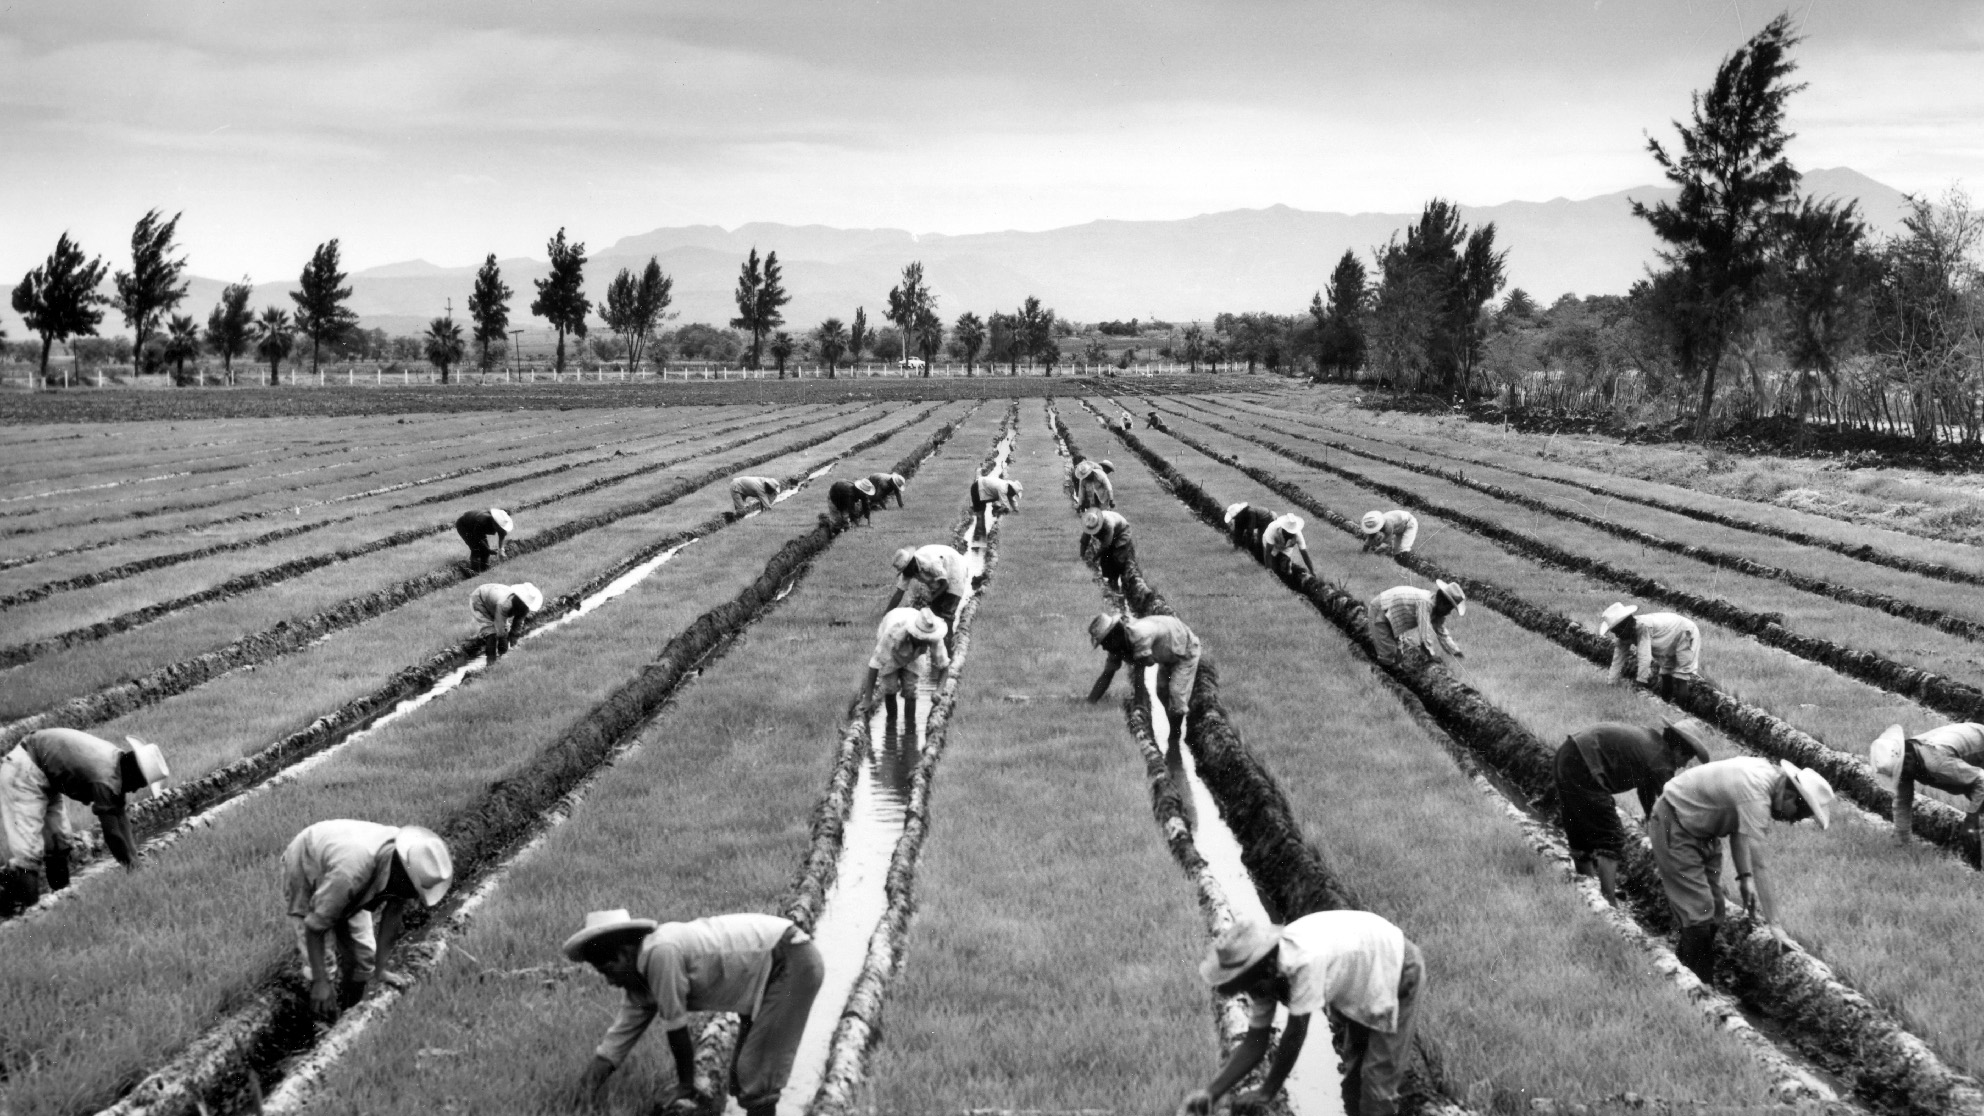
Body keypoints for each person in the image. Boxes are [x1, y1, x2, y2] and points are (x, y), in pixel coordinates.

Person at [568, 909, 823, 1116]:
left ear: (623, 954)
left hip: (790, 960)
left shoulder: (660, 954)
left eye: (607, 971)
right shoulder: (640, 981)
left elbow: (677, 1028)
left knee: (756, 1079)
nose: (609, 982)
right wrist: (581, 1094)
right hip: (772, 969)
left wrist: (686, 1085)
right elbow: (616, 1042)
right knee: (739, 1078)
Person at [1180, 911, 1425, 1116]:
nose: (1250, 992)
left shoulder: (1303, 960)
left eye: (1246, 981)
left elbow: (1295, 1032)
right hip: (1360, 981)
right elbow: (1255, 1043)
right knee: (1353, 1087)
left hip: (1395, 968)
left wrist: (1267, 1091)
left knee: (1376, 1092)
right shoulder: (1264, 977)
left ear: (1262, 965)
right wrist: (1211, 1092)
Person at [1647, 757, 1833, 981]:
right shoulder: (1757, 794)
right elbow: (1760, 863)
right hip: (1674, 822)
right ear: (1790, 795)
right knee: (1699, 912)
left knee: (1714, 911)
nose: (1790, 821)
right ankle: (1697, 988)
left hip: (1702, 832)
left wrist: (1745, 878)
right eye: (1795, 815)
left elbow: (1739, 830)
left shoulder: (1765, 774)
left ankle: (1688, 969)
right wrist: (1774, 924)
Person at [282, 819, 453, 1019]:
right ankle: (321, 1022)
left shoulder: (409, 863)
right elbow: (314, 926)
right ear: (402, 874)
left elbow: (392, 916)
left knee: (363, 959)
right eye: (414, 890)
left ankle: (347, 1014)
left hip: (349, 866)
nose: (414, 897)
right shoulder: (351, 874)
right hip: (308, 860)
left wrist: (381, 969)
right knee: (324, 967)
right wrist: (321, 980)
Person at [0, 729, 170, 908]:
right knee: (29, 854)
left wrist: (135, 858)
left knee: (60, 843)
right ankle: (31, 918)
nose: (135, 790)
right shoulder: (106, 778)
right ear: (135, 774)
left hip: (45, 774)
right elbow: (112, 833)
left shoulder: (117, 763)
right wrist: (131, 866)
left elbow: (121, 817)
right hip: (24, 770)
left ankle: (61, 903)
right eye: (139, 784)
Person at [1553, 719, 1713, 904]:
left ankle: (1587, 890)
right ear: (1678, 750)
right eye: (1686, 759)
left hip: (1567, 755)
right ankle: (1609, 900)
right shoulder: (1661, 760)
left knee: (1580, 833)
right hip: (1584, 766)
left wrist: (1648, 816)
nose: (1684, 765)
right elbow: (1671, 803)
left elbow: (1645, 788)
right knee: (1612, 837)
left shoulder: (1652, 742)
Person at [1087, 613, 1201, 757]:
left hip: (1185, 651)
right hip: (1168, 654)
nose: (1104, 648)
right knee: (1161, 692)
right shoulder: (1116, 645)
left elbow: (1139, 675)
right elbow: (1107, 675)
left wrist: (1140, 708)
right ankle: (1173, 731)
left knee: (1176, 693)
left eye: (1104, 643)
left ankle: (1174, 741)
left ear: (1114, 634)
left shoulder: (1139, 635)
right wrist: (1089, 702)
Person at [1871, 722, 1984, 866]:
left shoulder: (1936, 763)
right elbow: (1902, 803)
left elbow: (1981, 779)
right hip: (1972, 756)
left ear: (1907, 759)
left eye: (1901, 772)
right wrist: (1902, 845)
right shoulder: (1908, 758)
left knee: (1978, 819)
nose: (1902, 777)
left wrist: (1971, 819)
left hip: (1979, 746)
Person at [863, 607, 951, 737]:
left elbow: (944, 666)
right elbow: (875, 664)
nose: (924, 641)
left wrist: (938, 691)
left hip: (914, 656)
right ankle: (891, 726)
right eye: (921, 639)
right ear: (913, 634)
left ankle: (910, 729)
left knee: (911, 689)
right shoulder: (893, 634)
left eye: (926, 640)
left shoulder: (933, 637)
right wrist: (868, 698)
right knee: (890, 687)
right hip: (893, 654)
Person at [1599, 603, 1700, 698]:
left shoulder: (1643, 627)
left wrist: (1639, 684)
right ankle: (1667, 706)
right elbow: (1618, 660)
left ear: (1626, 624)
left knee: (1681, 677)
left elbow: (1644, 657)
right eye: (1614, 632)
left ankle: (1681, 712)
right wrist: (1611, 683)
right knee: (1666, 674)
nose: (1617, 635)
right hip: (1668, 641)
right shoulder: (1624, 636)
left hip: (1685, 632)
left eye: (1617, 631)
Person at [1365, 581, 1466, 668]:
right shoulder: (1425, 603)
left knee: (1398, 656)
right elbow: (1424, 634)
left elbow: (1442, 632)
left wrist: (1456, 652)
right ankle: (1381, 680)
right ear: (1442, 602)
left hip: (1393, 617)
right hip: (1381, 609)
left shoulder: (1436, 609)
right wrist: (1431, 655)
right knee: (1388, 655)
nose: (1448, 613)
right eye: (1449, 609)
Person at [889, 544, 970, 643]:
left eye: (905, 570)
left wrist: (931, 598)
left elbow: (944, 585)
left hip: (955, 568)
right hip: (941, 575)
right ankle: (937, 640)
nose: (905, 574)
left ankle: (949, 640)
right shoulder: (908, 571)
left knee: (948, 611)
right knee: (935, 611)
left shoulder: (930, 562)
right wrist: (886, 614)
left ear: (911, 564)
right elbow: (899, 594)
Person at [470, 581, 544, 661]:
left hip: (493, 599)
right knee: (491, 632)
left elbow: (517, 626)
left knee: (505, 630)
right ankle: (490, 662)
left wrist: (513, 644)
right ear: (520, 601)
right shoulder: (505, 605)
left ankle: (500, 658)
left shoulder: (524, 608)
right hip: (480, 599)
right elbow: (500, 629)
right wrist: (504, 652)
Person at [1081, 509, 1136, 590]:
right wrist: (1081, 555)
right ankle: (1110, 581)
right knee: (1105, 560)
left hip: (1121, 533)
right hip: (1110, 536)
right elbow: (1084, 541)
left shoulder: (1108, 524)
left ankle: (1122, 582)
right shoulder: (1089, 524)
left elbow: (1106, 545)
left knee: (1118, 558)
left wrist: (1095, 558)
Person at [1260, 512, 1319, 579]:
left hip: (1286, 547)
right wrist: (1268, 568)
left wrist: (1312, 571)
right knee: (1273, 565)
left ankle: (1286, 578)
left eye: (1292, 533)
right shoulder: (1273, 529)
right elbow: (1268, 551)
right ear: (1284, 529)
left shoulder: (1298, 535)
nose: (1290, 534)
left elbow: (1304, 554)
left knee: (1285, 566)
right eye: (1288, 533)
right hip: (1271, 544)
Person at [455, 507, 514, 572]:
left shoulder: (499, 526)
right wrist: (488, 550)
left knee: (485, 550)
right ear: (494, 523)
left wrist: (501, 550)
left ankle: (485, 570)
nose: (500, 530)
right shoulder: (482, 521)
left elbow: (502, 535)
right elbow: (477, 538)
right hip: (464, 525)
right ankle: (475, 572)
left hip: (476, 528)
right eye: (499, 527)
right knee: (476, 549)